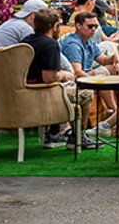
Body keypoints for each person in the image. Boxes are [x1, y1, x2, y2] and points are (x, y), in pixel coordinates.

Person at [22, 9, 94, 148]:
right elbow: (49, 78)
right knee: (86, 93)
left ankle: (53, 134)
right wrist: (64, 75)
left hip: (26, 90)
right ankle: (77, 136)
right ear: (54, 26)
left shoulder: (25, 41)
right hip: (43, 92)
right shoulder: (50, 44)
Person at [60, 10, 119, 115]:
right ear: (78, 26)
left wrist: (114, 56)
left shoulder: (88, 40)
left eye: (96, 27)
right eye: (90, 26)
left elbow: (103, 59)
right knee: (102, 75)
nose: (93, 29)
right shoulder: (73, 45)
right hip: (73, 79)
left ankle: (117, 111)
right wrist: (94, 77)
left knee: (116, 68)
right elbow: (77, 72)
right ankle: (115, 112)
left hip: (86, 73)